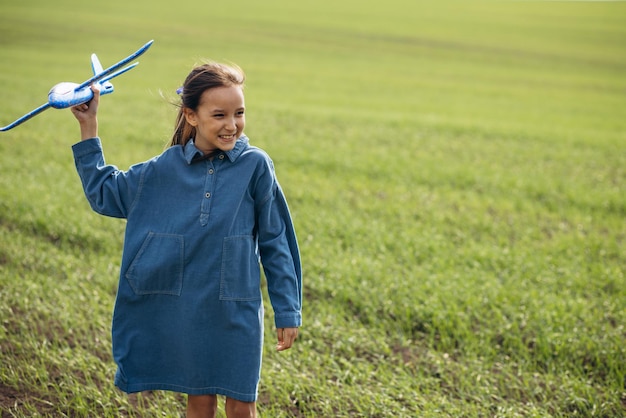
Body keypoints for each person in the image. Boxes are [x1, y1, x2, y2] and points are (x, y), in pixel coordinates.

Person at [70, 62, 302, 418]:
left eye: (239, 113)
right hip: (188, 311)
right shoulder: (163, 168)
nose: (232, 124)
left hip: (236, 309)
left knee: (243, 407)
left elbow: (277, 241)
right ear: (191, 116)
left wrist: (287, 308)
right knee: (200, 404)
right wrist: (89, 125)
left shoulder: (256, 165)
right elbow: (106, 193)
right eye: (219, 114)